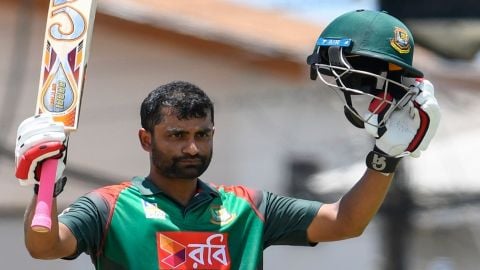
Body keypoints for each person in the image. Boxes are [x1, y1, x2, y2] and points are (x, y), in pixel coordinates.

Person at [15, 10, 440, 270]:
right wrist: (44, 188)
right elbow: (45, 246)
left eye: (202, 135)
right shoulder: (107, 209)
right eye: (176, 136)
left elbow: (346, 222)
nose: (192, 148)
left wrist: (385, 158)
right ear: (146, 139)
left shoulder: (249, 209)